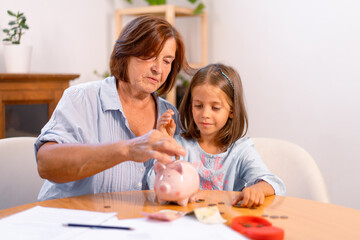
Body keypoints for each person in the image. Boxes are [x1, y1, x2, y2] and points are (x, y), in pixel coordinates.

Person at [35, 15, 191, 201]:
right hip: (69, 220)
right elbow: (46, 164)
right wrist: (127, 149)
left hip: (135, 225)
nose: (158, 69)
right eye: (149, 56)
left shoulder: (170, 114)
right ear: (125, 53)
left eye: (167, 61)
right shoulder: (82, 98)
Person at [155, 63, 286, 207]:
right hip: (187, 223)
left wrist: (257, 189)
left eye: (215, 108)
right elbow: (155, 185)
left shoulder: (241, 150)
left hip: (227, 224)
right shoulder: (180, 146)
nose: (205, 114)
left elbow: (274, 183)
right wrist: (165, 144)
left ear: (232, 111)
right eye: (198, 106)